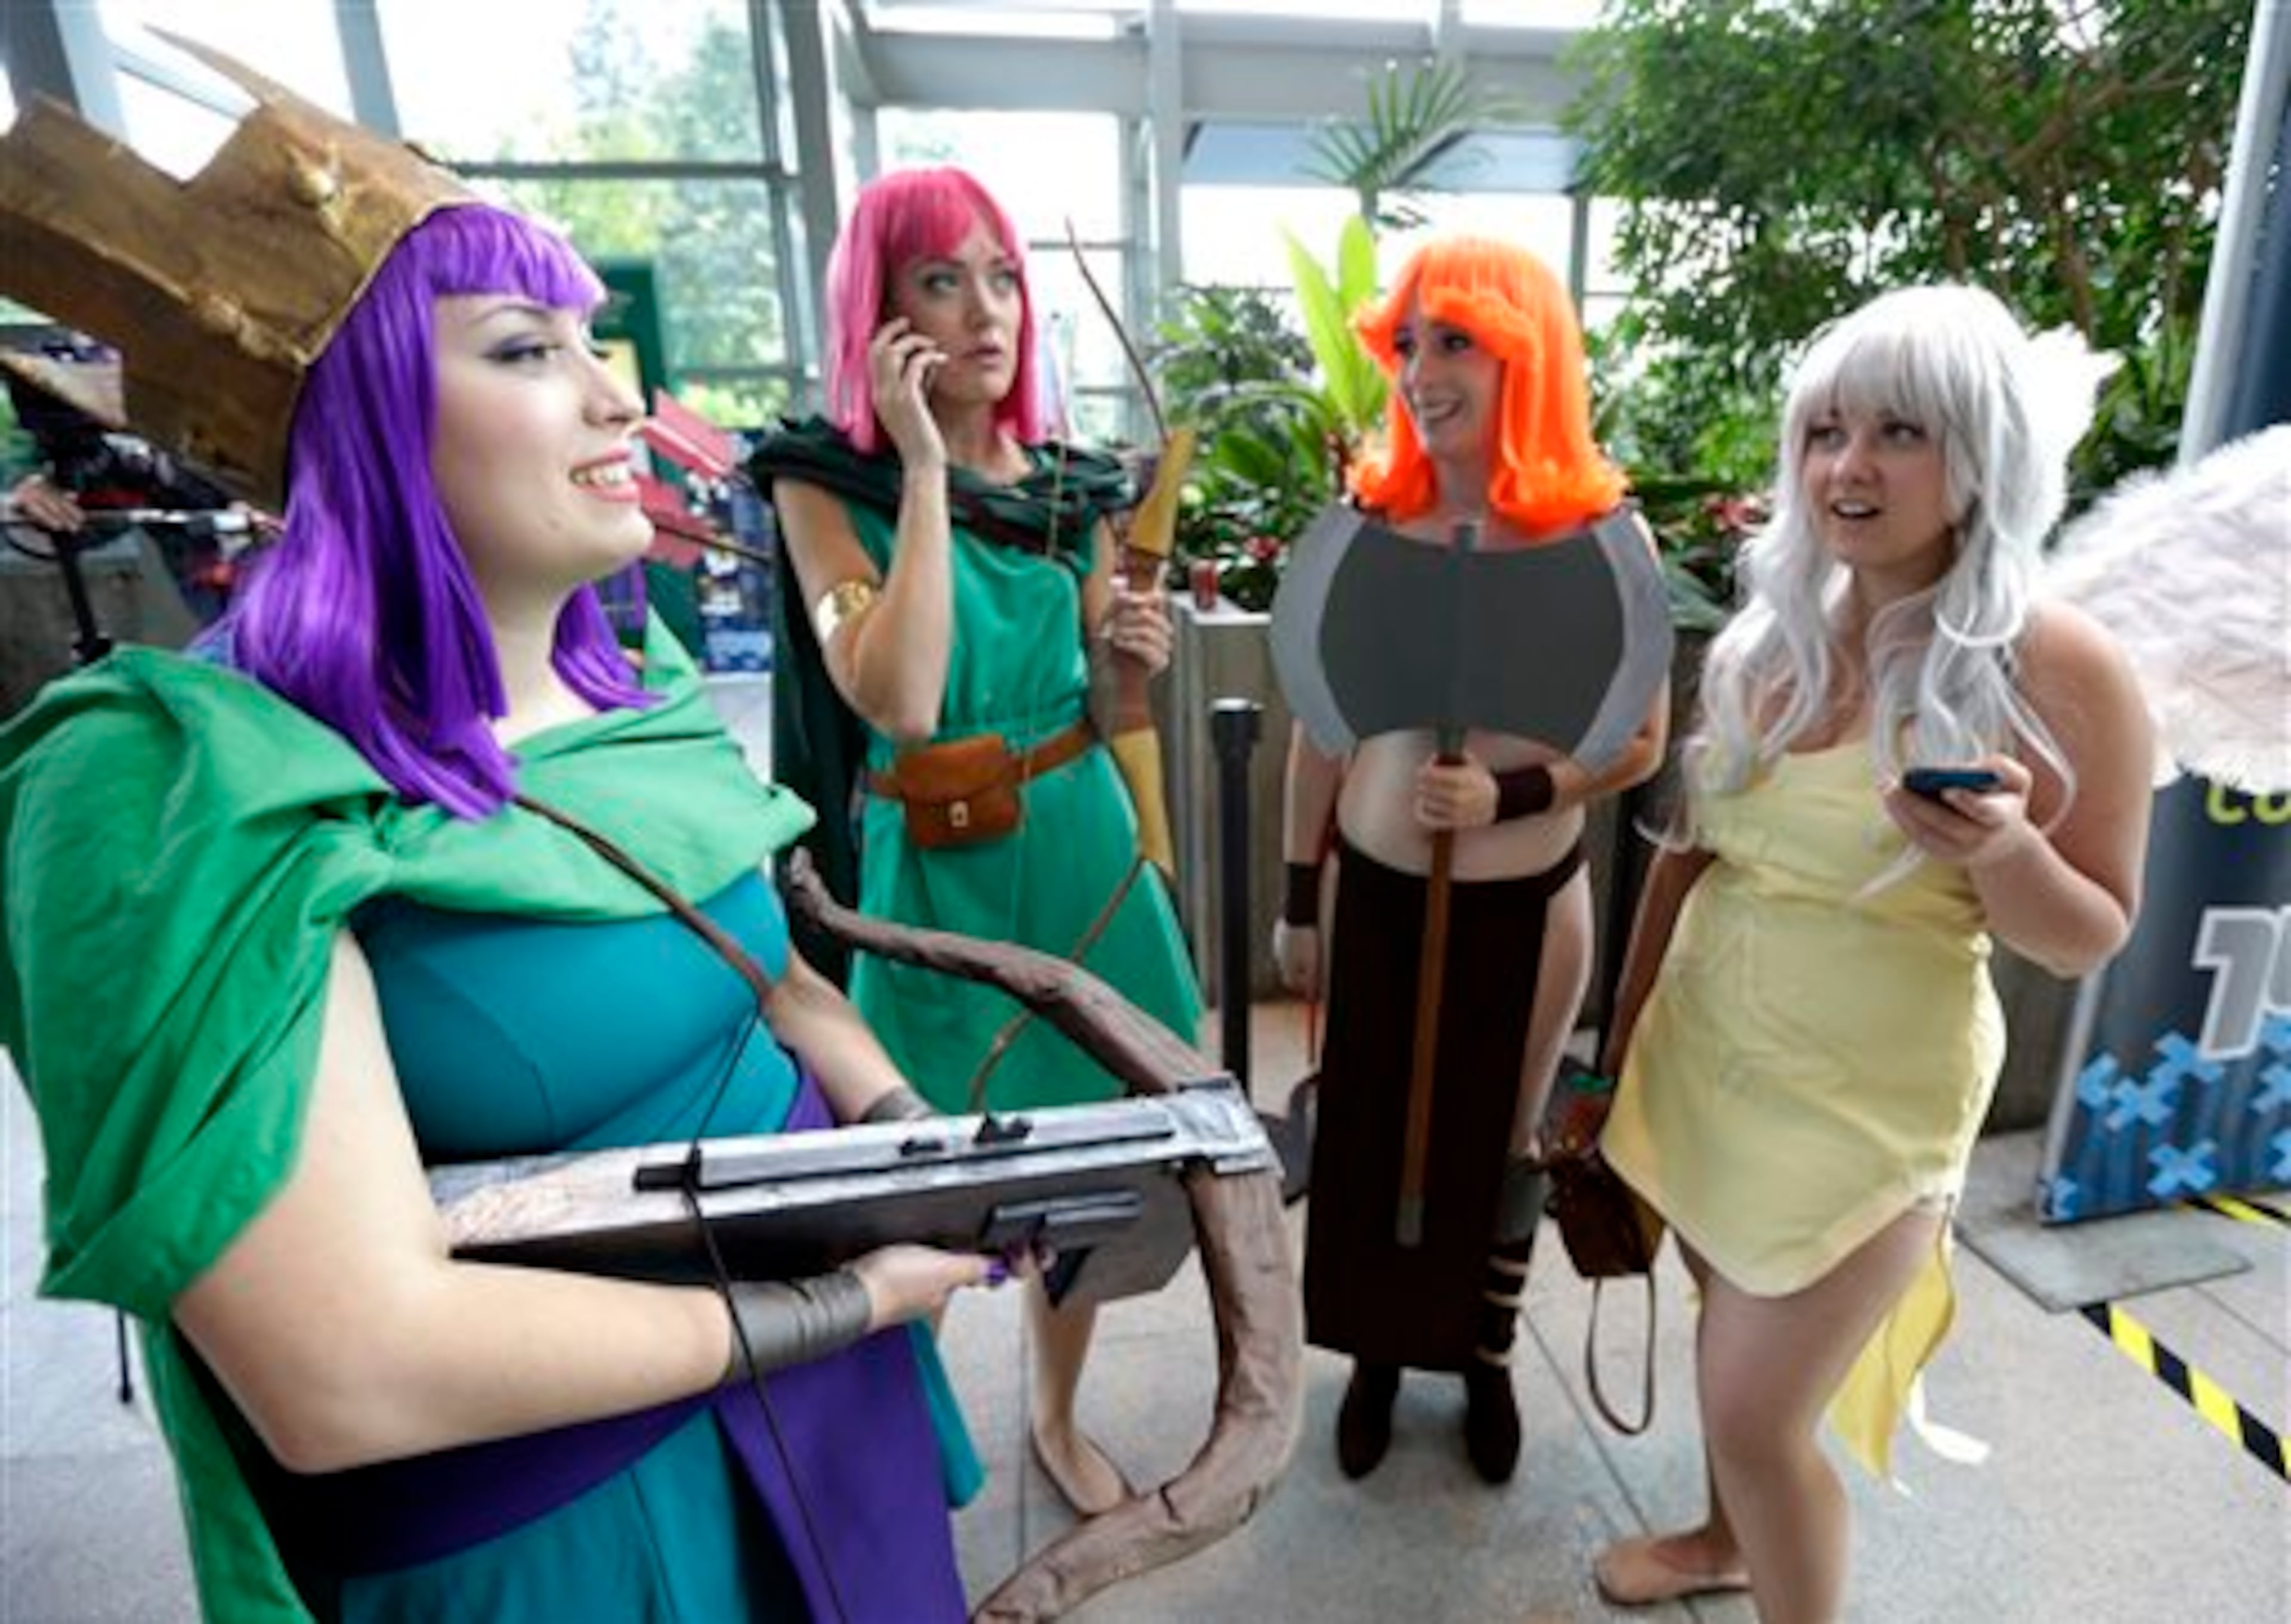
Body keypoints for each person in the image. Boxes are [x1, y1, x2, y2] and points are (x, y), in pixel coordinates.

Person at [0, 70, 999, 1623]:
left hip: (835, 1398)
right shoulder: (181, 785)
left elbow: (771, 976)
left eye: (594, 342)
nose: (617, 399)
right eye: (528, 350)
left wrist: (909, 1135)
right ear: (359, 415)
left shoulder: (640, 673)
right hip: (566, 1522)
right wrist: (837, 1297)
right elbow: (348, 1366)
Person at [1590, 283, 2153, 1617]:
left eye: (1901, 430)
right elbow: (1687, 856)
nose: (1849, 465)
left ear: (1983, 452)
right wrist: (1611, 1055)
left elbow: (2090, 933)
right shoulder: (1771, 634)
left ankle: (1764, 1552)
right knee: (1724, 1322)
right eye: (1825, 431)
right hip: (1705, 1061)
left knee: (1754, 1407)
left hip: (1869, 1109)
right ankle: (1722, 1540)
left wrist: (2004, 850)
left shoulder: (2057, 662)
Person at [754, 165, 1203, 1518]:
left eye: (1002, 276)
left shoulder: (1075, 487)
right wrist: (925, 472)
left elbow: (1103, 694)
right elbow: (897, 696)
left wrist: (1133, 654)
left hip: (1076, 845)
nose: (986, 311)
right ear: (880, 310)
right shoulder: (825, 483)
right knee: (923, 1169)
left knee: (1090, 1159)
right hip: (930, 874)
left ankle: (1055, 1409)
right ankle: (902, 1447)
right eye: (941, 280)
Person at [1273, 237, 1668, 1485]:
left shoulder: (1604, 540)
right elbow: (1320, 729)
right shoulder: (1366, 530)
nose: (1420, 370)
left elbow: (1639, 740)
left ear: (1523, 354)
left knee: (1499, 1143)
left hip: (1530, 914)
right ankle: (1377, 1354)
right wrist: (1298, 899)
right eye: (1407, 344)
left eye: (1456, 342)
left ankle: (1484, 1351)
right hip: (1377, 895)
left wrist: (1512, 792)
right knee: (1371, 1129)